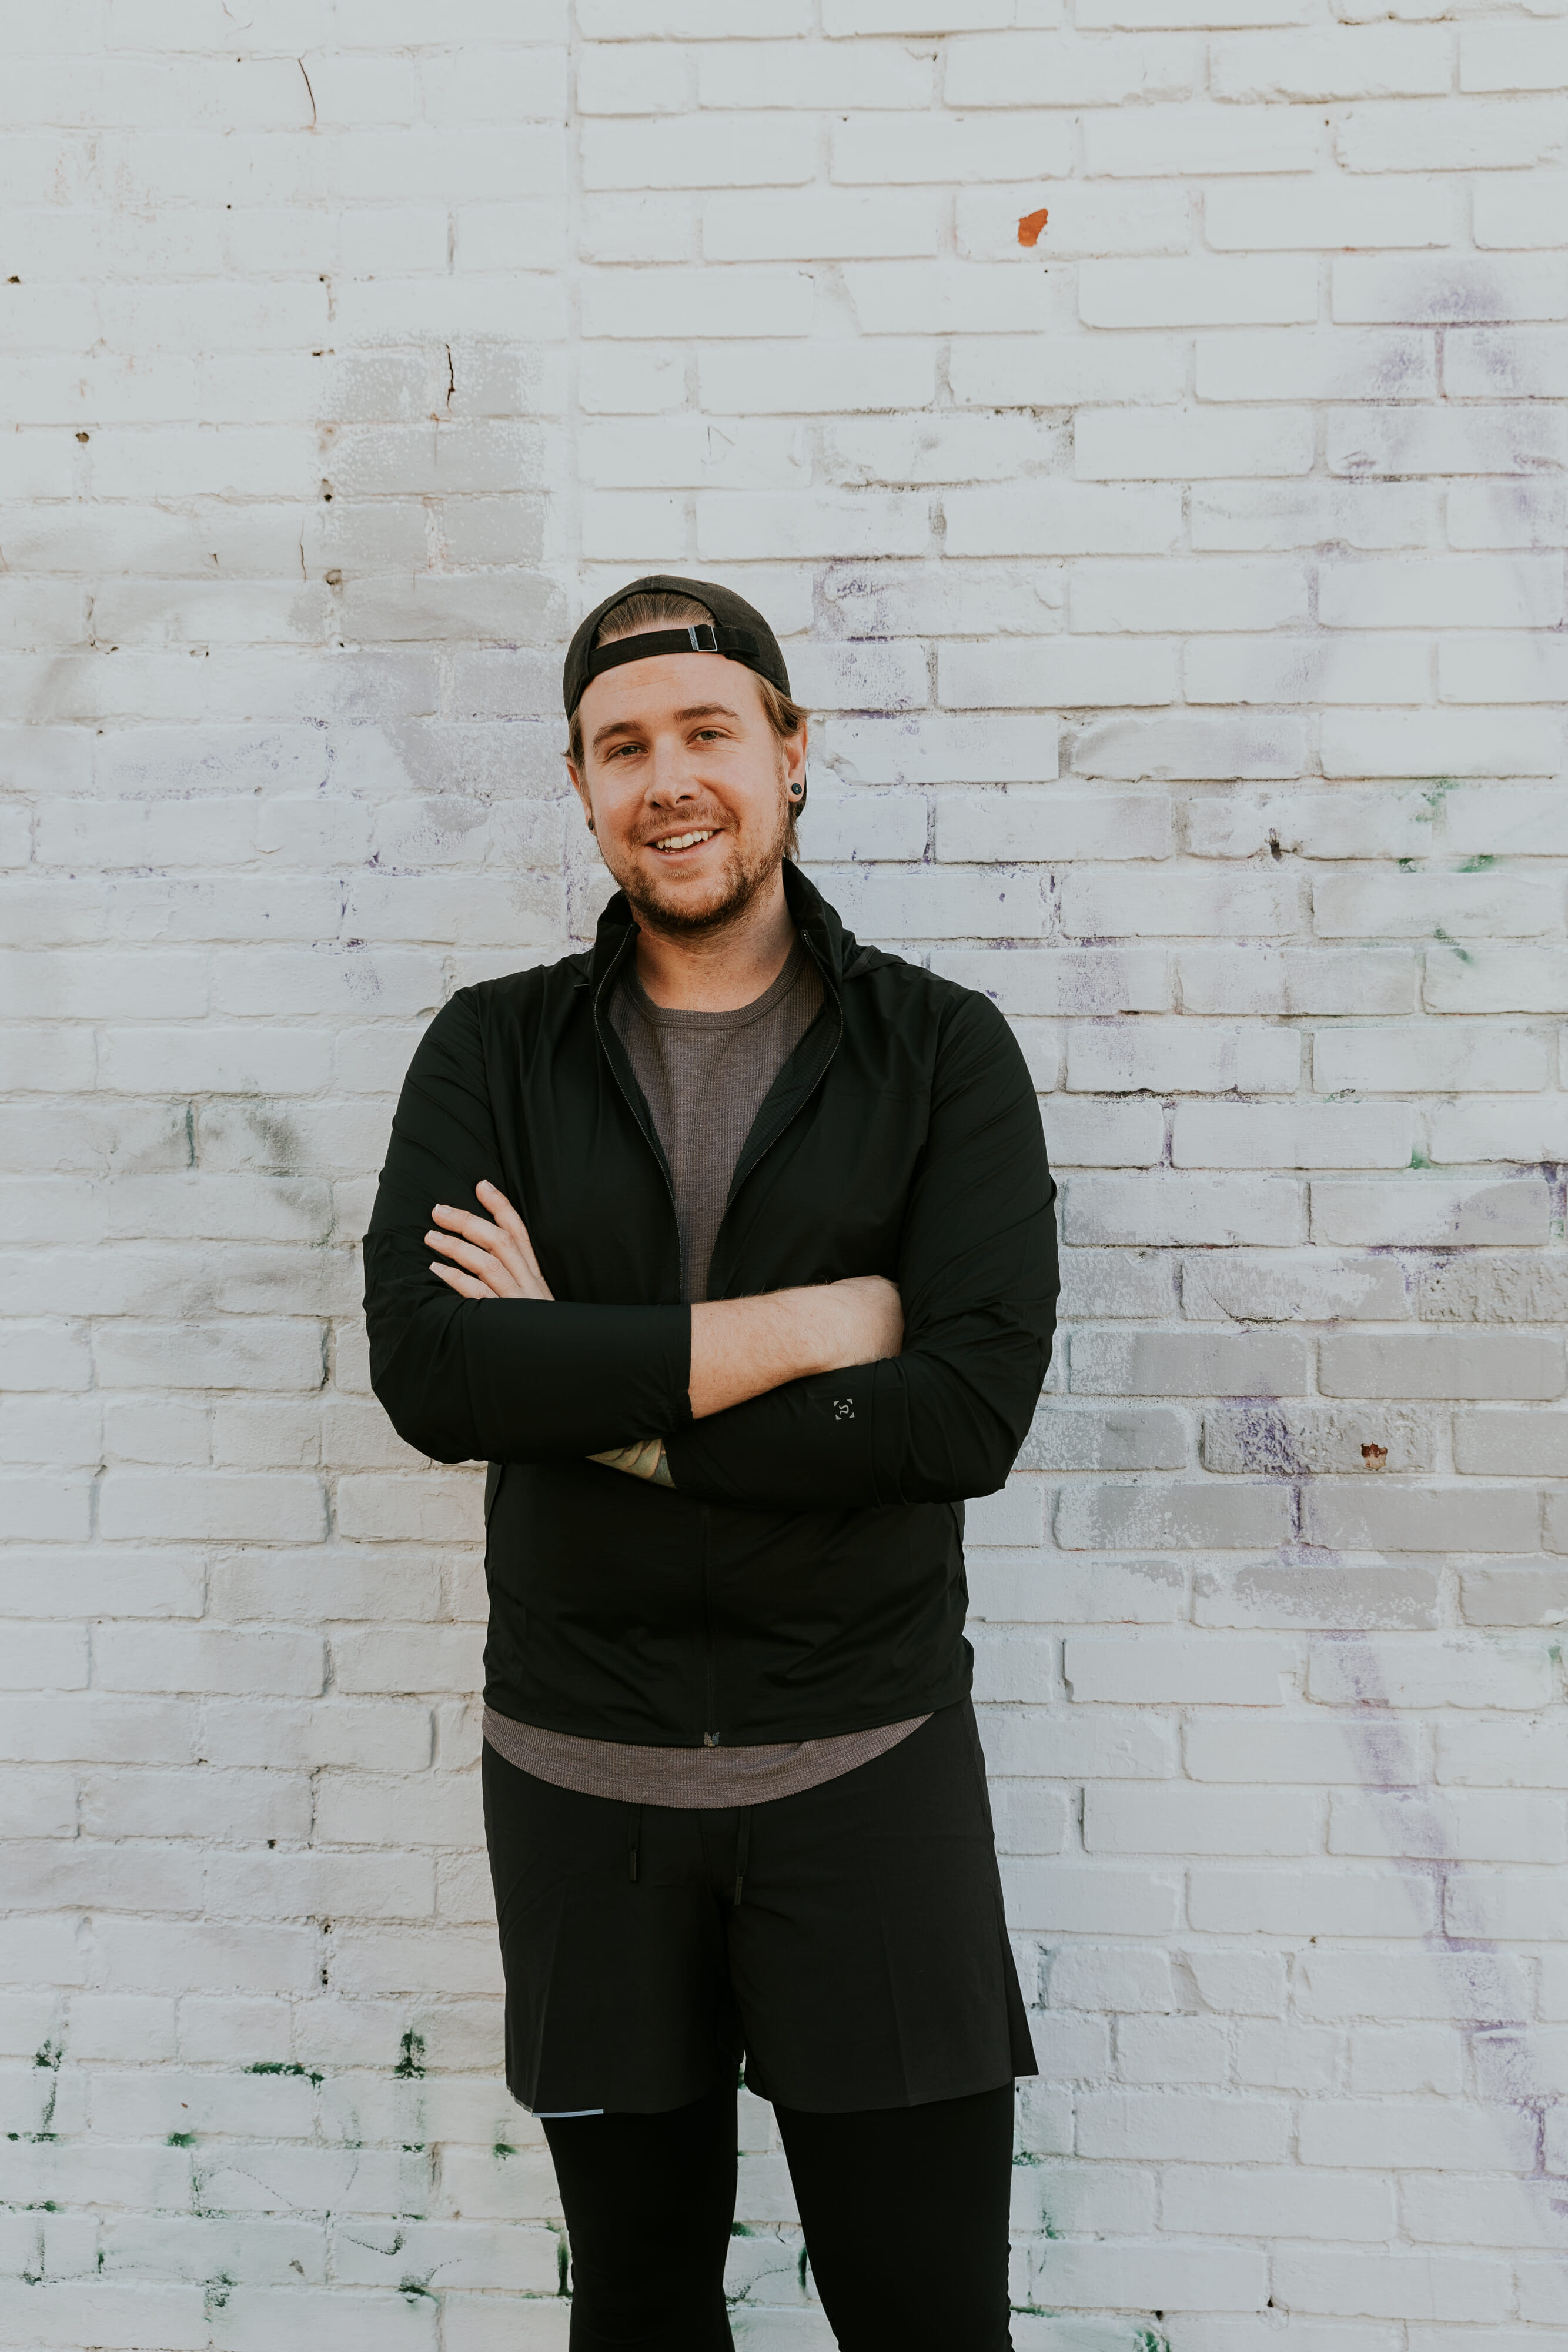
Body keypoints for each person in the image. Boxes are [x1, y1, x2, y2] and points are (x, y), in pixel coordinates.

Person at [363, 574, 1058, 2350]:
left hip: (867, 1774)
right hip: (579, 1785)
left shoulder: (939, 1053)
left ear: (790, 752)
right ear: (581, 786)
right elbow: (438, 1375)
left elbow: (960, 1419)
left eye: (704, 734)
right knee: (644, 2310)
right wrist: (822, 1325)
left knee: (920, 2315)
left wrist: (582, 1383)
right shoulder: (491, 1047)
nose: (665, 779)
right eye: (621, 747)